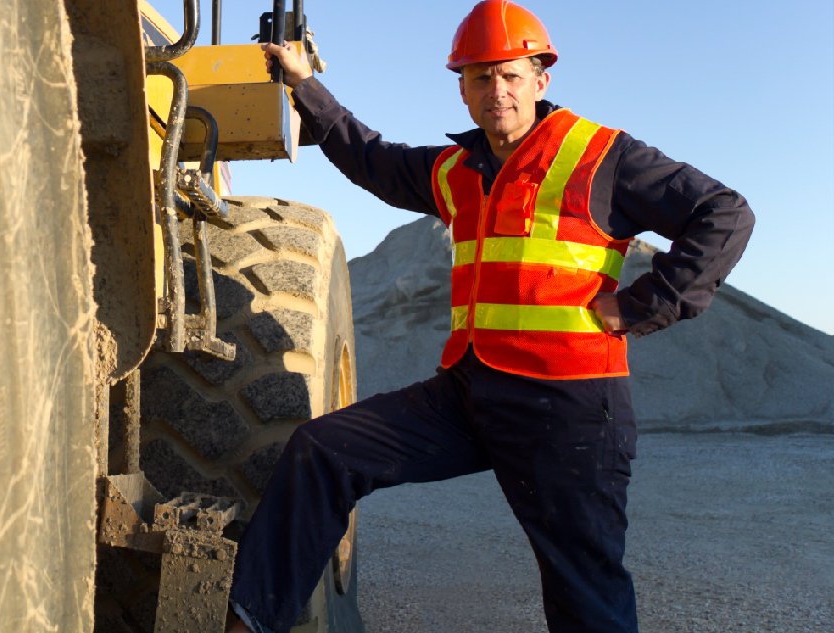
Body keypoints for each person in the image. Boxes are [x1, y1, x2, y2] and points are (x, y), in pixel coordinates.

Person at [224, 1, 755, 632]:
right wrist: (303, 85)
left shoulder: (602, 156)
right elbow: (371, 158)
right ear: (463, 89)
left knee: (584, 591)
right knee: (323, 450)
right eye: (481, 78)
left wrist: (643, 305)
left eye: (509, 75)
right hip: (470, 392)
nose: (496, 91)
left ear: (540, 79)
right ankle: (252, 623)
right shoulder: (455, 169)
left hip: (571, 410)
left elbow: (725, 213)